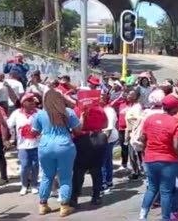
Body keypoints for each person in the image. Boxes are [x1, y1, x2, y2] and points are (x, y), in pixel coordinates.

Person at [31, 89, 82, 217]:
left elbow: (34, 132)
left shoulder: (40, 114)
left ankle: (43, 205)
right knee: (65, 176)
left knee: (47, 176)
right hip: (64, 145)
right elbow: (77, 131)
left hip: (45, 145)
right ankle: (64, 206)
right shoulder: (68, 113)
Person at [139, 95, 178, 220]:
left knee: (152, 188)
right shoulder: (176, 123)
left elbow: (143, 138)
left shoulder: (150, 119)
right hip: (168, 161)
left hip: (150, 159)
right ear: (175, 108)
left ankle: (143, 215)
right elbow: (176, 145)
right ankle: (165, 218)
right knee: (166, 191)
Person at [70, 104, 108, 207]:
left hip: (82, 139)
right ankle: (96, 196)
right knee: (96, 170)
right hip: (98, 138)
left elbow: (76, 128)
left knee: (79, 171)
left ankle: (74, 197)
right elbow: (105, 125)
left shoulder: (77, 109)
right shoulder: (100, 109)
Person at [7, 94, 40, 195]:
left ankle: (34, 185)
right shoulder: (16, 113)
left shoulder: (39, 113)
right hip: (22, 146)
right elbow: (8, 125)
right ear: (24, 103)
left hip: (37, 144)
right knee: (25, 166)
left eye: (33, 101)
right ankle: (24, 185)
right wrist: (8, 138)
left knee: (35, 165)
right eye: (30, 100)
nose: (33, 102)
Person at [101, 94, 118, 194]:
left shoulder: (109, 110)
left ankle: (104, 182)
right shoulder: (101, 109)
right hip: (102, 137)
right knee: (107, 160)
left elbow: (110, 127)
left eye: (102, 98)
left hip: (108, 138)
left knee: (103, 161)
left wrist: (104, 140)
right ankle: (108, 180)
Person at [124, 89, 144, 180]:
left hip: (134, 133)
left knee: (134, 153)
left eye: (131, 94)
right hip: (130, 131)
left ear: (136, 97)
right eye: (128, 94)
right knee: (132, 153)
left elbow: (138, 120)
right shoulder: (131, 107)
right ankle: (136, 170)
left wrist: (134, 133)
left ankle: (137, 171)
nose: (128, 96)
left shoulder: (137, 108)